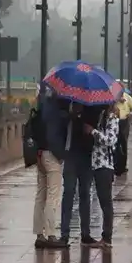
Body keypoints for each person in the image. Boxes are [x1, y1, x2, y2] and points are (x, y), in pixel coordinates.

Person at [50, 102, 100, 249]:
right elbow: (58, 131)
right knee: (69, 193)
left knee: (85, 193)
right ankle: (64, 235)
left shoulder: (92, 111)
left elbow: (94, 130)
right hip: (71, 157)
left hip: (86, 157)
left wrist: (84, 120)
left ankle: (85, 234)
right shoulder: (66, 111)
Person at [31, 85, 65, 249]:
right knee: (53, 195)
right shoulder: (59, 109)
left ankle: (39, 234)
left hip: (40, 153)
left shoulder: (42, 104)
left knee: (40, 194)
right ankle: (51, 234)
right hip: (53, 154)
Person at [90, 103, 121, 249]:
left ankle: (107, 237)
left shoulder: (112, 119)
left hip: (105, 165)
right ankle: (105, 236)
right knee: (103, 201)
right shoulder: (102, 117)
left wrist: (93, 132)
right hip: (97, 164)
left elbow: (110, 140)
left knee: (106, 202)